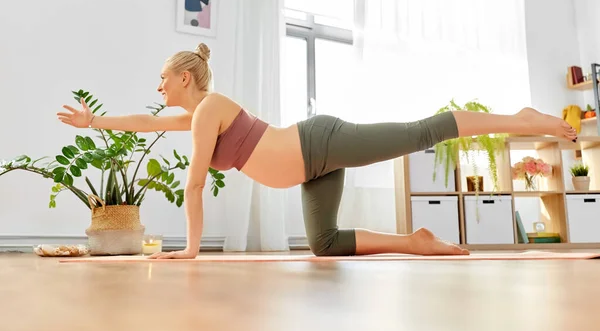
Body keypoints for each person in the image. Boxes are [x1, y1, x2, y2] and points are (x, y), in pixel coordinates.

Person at [57, 43, 578, 259]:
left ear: (185, 77)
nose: (159, 88)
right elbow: (145, 121)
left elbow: (194, 182)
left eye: (163, 79)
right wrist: (94, 119)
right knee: (324, 244)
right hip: (312, 169)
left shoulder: (209, 106)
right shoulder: (196, 116)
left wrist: (193, 249)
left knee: (422, 132)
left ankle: (522, 118)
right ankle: (416, 241)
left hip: (319, 142)